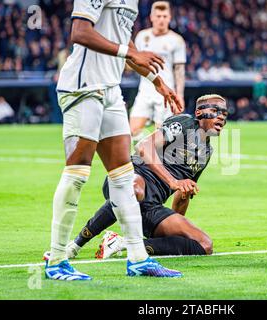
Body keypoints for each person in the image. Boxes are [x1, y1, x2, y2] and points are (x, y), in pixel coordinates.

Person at [46, 0, 183, 281]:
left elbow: (126, 44)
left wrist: (158, 82)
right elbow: (80, 32)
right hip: (83, 87)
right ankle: (56, 260)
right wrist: (128, 53)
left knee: (123, 176)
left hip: (110, 89)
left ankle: (138, 259)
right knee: (77, 173)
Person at [44, 94, 228, 260]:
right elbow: (144, 146)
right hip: (131, 177)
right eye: (215, 110)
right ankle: (74, 246)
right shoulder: (185, 123)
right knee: (134, 190)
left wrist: (171, 232)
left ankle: (121, 244)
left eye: (225, 113)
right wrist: (173, 181)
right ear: (198, 113)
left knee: (204, 244)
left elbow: (182, 195)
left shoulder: (206, 152)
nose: (221, 116)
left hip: (152, 207)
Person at [129, 1, 186, 144]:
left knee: (162, 137)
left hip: (166, 93)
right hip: (145, 90)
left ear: (169, 18)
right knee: (132, 131)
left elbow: (179, 70)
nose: (161, 19)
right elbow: (134, 60)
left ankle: (157, 161)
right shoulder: (142, 36)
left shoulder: (177, 40)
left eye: (164, 16)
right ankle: (144, 155)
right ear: (151, 17)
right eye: (158, 16)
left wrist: (179, 94)